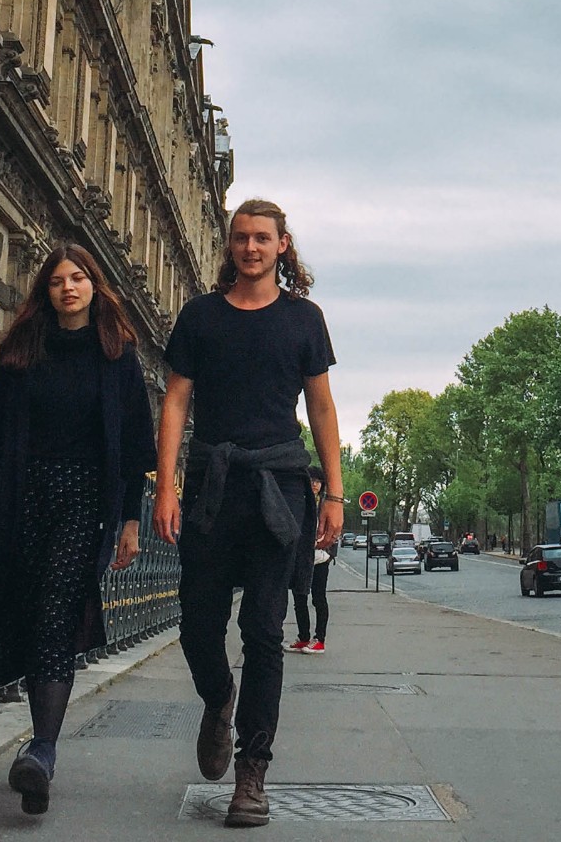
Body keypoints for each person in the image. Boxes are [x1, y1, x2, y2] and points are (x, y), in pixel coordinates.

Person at [0, 244, 153, 815]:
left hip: (84, 503)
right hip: (23, 498)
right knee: (31, 614)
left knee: (55, 614)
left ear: (94, 286)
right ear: (45, 291)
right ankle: (38, 752)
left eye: (78, 278)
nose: (68, 288)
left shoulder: (118, 356)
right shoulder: (24, 348)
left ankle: (42, 751)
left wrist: (130, 521)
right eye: (56, 281)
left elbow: (133, 449)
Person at [155, 198, 343, 829]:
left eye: (263, 238)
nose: (251, 248)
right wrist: (165, 487)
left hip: (278, 488)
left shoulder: (304, 319)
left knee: (263, 631)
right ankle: (218, 698)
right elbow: (176, 401)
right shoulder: (200, 316)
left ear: (282, 245)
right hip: (212, 485)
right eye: (241, 238)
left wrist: (335, 493)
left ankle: (252, 773)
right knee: (197, 625)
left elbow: (321, 407)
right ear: (230, 245)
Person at [290, 467, 333, 654]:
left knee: (318, 598)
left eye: (318, 481)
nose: (314, 484)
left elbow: (332, 531)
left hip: (320, 558)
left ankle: (319, 639)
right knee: (299, 598)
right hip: (301, 557)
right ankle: (303, 637)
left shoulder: (325, 505)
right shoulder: (299, 502)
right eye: (311, 480)